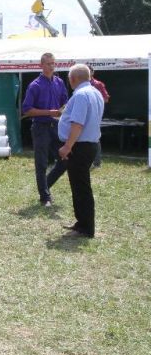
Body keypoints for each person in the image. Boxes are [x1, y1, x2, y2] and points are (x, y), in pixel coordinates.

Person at [58, 64, 104, 238]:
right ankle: (82, 222)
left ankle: (86, 226)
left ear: (73, 79)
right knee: (79, 185)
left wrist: (67, 146)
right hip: (89, 144)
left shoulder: (80, 95)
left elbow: (77, 124)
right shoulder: (95, 92)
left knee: (81, 187)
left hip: (80, 146)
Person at [22, 53, 69, 207]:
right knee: (41, 163)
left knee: (65, 160)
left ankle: (45, 186)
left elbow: (65, 103)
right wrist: (50, 112)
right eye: (48, 64)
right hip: (41, 127)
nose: (51, 66)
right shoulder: (35, 85)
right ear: (41, 65)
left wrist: (64, 110)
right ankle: (45, 197)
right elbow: (27, 110)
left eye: (53, 63)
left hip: (56, 127)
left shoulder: (59, 82)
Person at [87, 65, 110, 168]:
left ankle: (96, 162)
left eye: (88, 71)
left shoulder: (98, 84)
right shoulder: (80, 83)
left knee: (95, 137)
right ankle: (87, 160)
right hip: (84, 113)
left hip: (94, 114)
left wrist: (94, 100)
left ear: (92, 72)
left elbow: (106, 99)